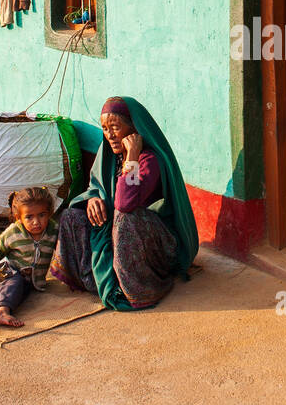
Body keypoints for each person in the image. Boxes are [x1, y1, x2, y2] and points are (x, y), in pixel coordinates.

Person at [49, 96, 199, 310]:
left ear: (133, 128)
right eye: (104, 128)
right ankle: (95, 279)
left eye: (115, 127)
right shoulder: (108, 154)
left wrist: (132, 157)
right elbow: (96, 185)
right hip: (120, 235)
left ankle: (139, 287)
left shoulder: (150, 159)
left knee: (125, 217)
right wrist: (93, 199)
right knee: (72, 215)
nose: (109, 135)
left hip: (159, 244)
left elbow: (125, 202)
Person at [0, 186, 59, 329]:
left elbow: (63, 247)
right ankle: (2, 312)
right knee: (14, 283)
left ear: (50, 213)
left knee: (19, 294)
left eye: (42, 215)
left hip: (32, 282)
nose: (36, 222)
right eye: (29, 217)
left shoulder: (53, 230)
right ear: (19, 218)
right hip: (9, 274)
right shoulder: (14, 232)